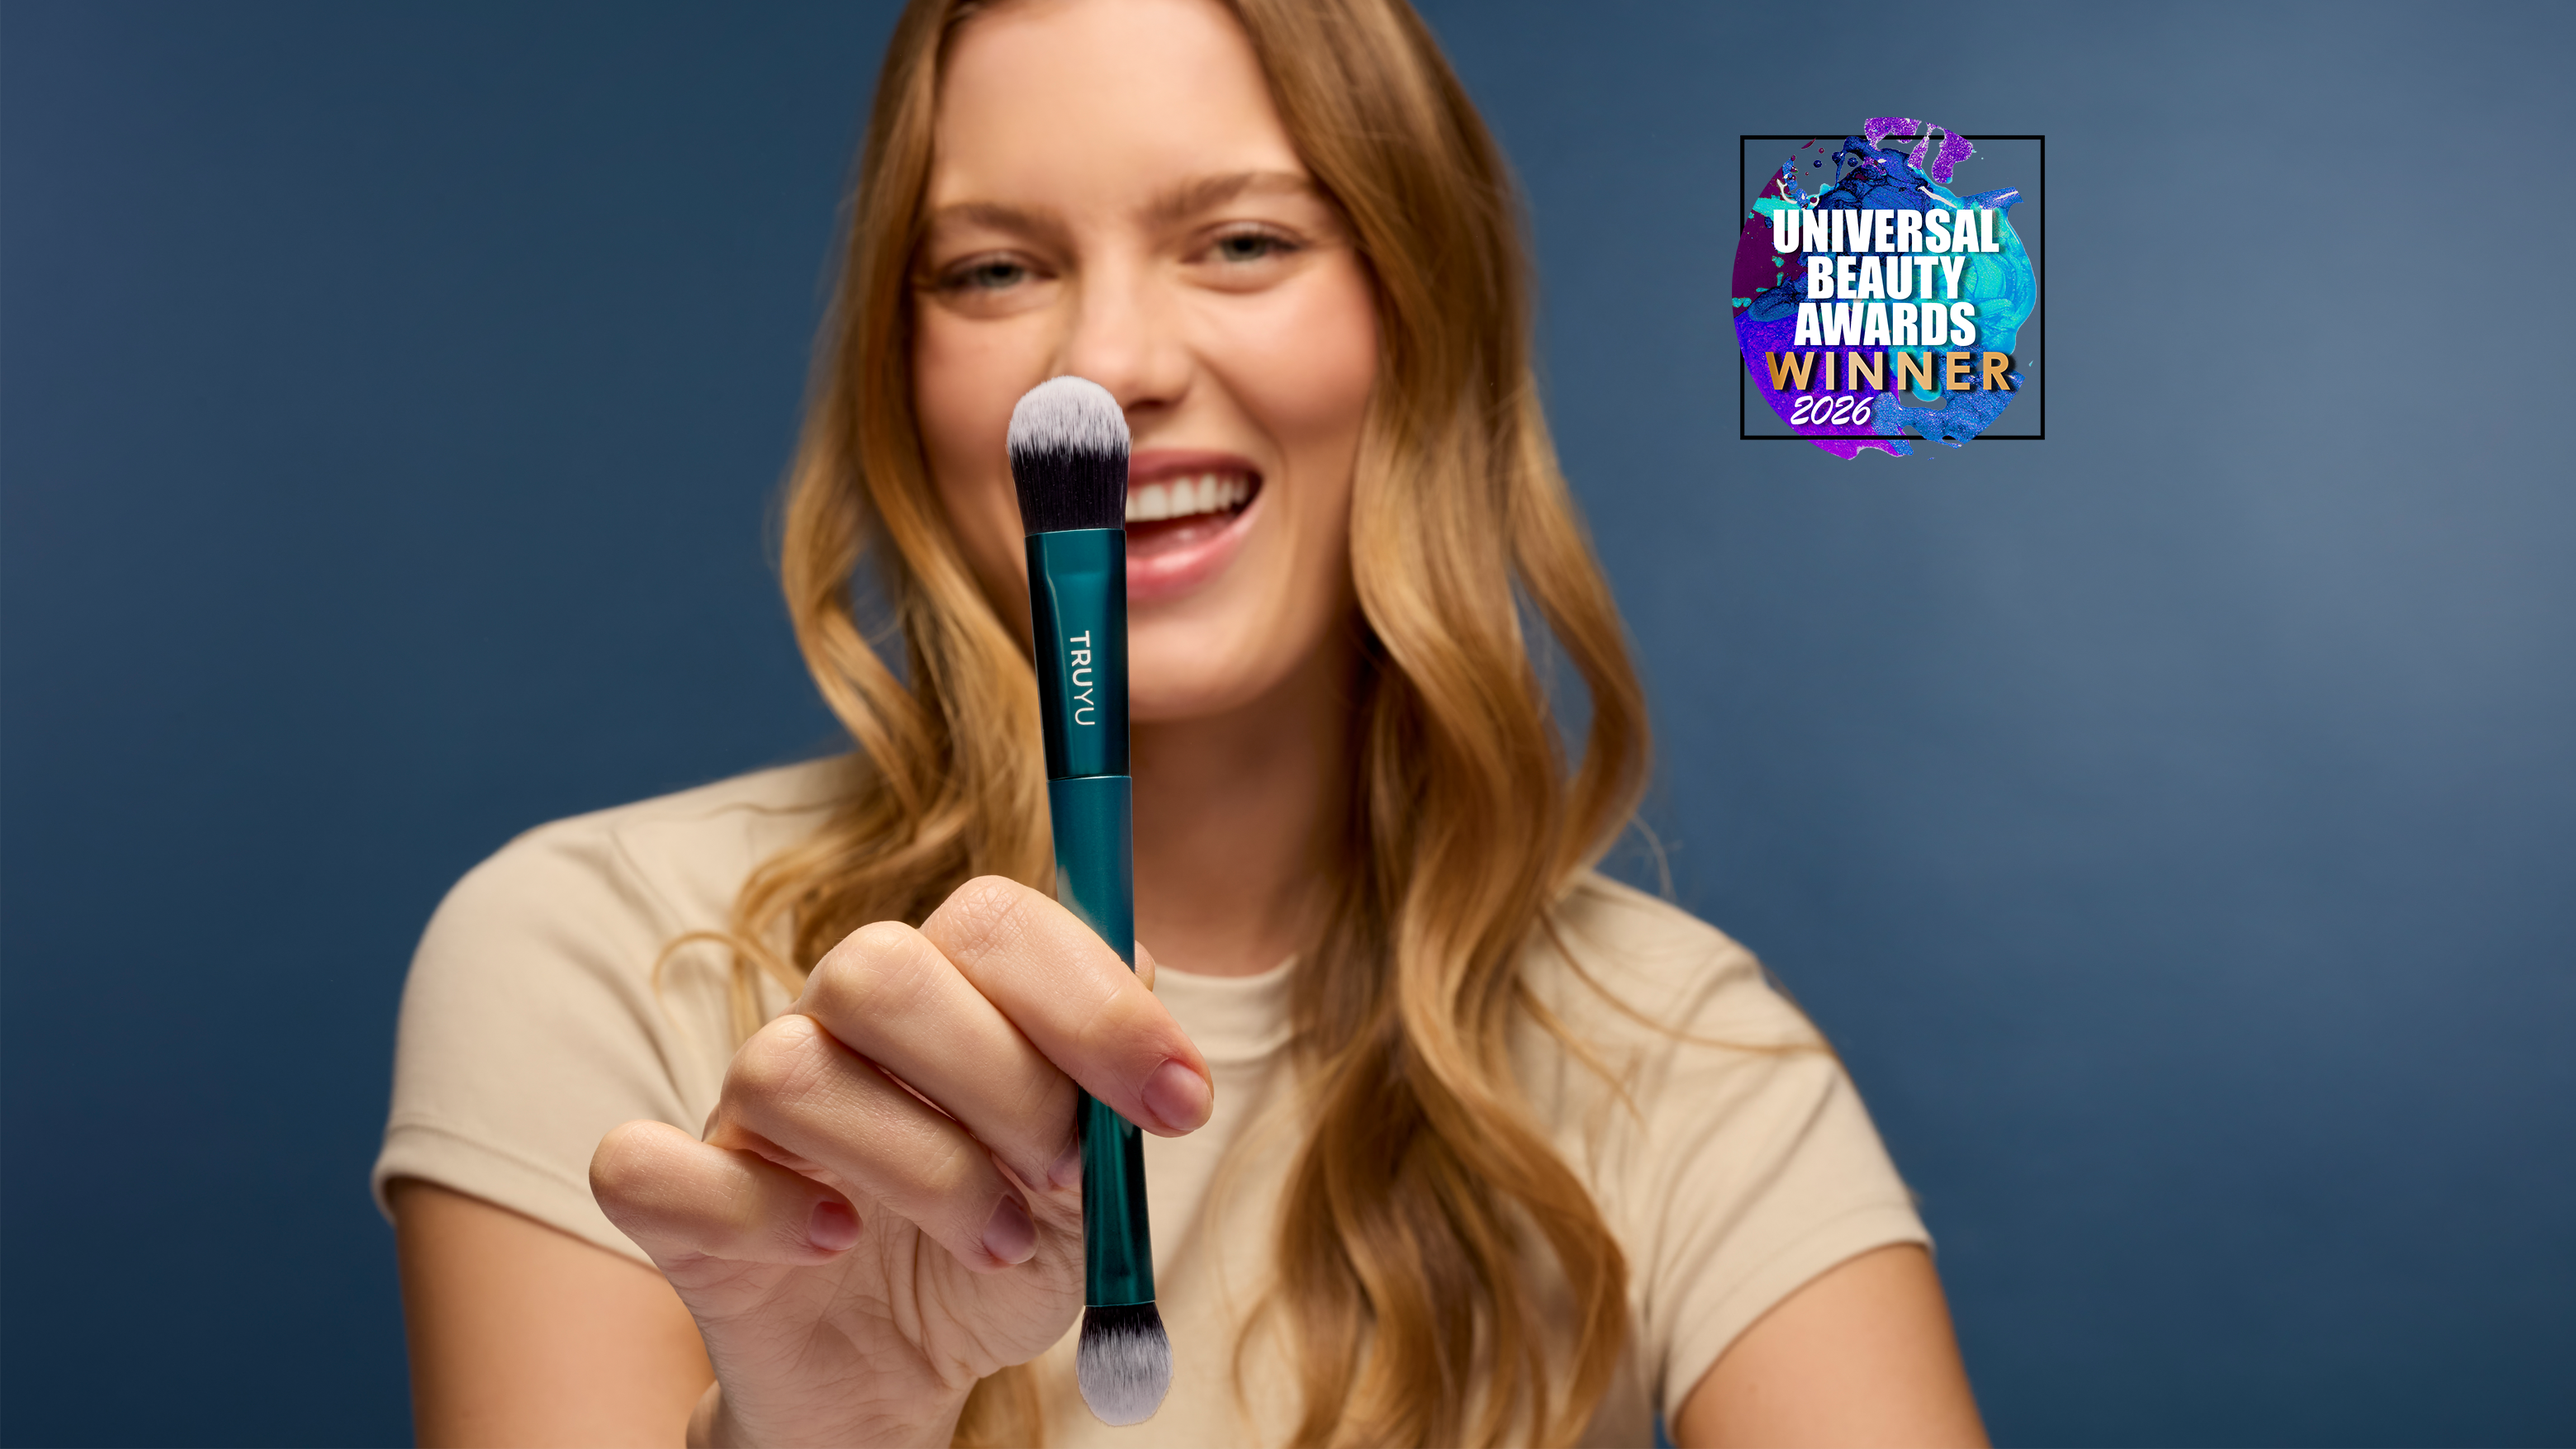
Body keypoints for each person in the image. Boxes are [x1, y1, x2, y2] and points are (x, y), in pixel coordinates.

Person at [377, 0, 1988, 1444]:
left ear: (1419, 319)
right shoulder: (594, 955)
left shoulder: (1681, 1053)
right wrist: (827, 1431)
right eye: (993, 269)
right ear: (899, 372)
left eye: (1241, 242)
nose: (1107, 362)